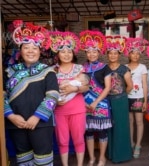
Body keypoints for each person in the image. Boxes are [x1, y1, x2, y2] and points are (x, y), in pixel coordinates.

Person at [3, 20, 59, 166]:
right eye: (26, 47)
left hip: (41, 123)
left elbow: (53, 96)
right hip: (16, 123)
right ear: (20, 50)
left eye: (34, 48)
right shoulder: (9, 72)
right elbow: (2, 96)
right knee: (23, 159)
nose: (30, 51)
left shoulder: (48, 71)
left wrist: (36, 117)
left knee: (43, 159)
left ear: (40, 51)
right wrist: (11, 116)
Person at [50, 31, 89, 166]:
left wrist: (75, 89)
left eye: (69, 51)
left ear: (73, 53)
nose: (66, 54)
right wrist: (55, 99)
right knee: (62, 141)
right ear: (58, 54)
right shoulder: (52, 70)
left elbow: (86, 87)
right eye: (63, 51)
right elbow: (48, 91)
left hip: (77, 109)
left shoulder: (79, 68)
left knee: (78, 139)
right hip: (60, 110)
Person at [79, 30, 112, 166]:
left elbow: (108, 87)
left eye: (94, 51)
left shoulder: (105, 68)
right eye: (89, 51)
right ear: (86, 53)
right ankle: (92, 157)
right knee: (88, 132)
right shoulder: (82, 68)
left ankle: (102, 158)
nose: (91, 54)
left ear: (99, 52)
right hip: (85, 104)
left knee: (102, 132)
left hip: (101, 104)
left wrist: (96, 102)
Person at [105, 36, 133, 163]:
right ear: (107, 55)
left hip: (120, 101)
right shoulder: (104, 68)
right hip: (107, 101)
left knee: (121, 128)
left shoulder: (124, 69)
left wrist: (121, 95)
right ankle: (110, 153)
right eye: (110, 53)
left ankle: (122, 155)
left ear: (119, 55)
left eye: (115, 53)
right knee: (109, 127)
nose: (112, 56)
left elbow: (130, 86)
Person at [125, 37, 148, 158]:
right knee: (130, 121)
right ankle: (131, 142)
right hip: (126, 98)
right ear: (128, 54)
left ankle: (138, 144)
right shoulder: (124, 67)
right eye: (132, 53)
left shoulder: (142, 67)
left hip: (138, 98)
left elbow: (144, 84)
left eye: (137, 53)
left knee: (139, 122)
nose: (135, 55)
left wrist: (145, 100)